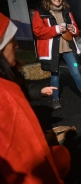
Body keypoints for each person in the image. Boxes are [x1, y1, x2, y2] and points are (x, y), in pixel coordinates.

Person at [0, 12, 70, 184]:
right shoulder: (5, 95)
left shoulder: (8, 79)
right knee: (62, 155)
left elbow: (24, 88)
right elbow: (31, 163)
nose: (16, 46)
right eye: (12, 41)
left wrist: (40, 91)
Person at [32, 0, 81, 109]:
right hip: (52, 50)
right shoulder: (41, 13)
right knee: (55, 76)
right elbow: (37, 31)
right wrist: (55, 29)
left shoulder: (67, 12)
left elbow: (76, 29)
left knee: (76, 73)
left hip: (67, 48)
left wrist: (73, 29)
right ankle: (55, 99)